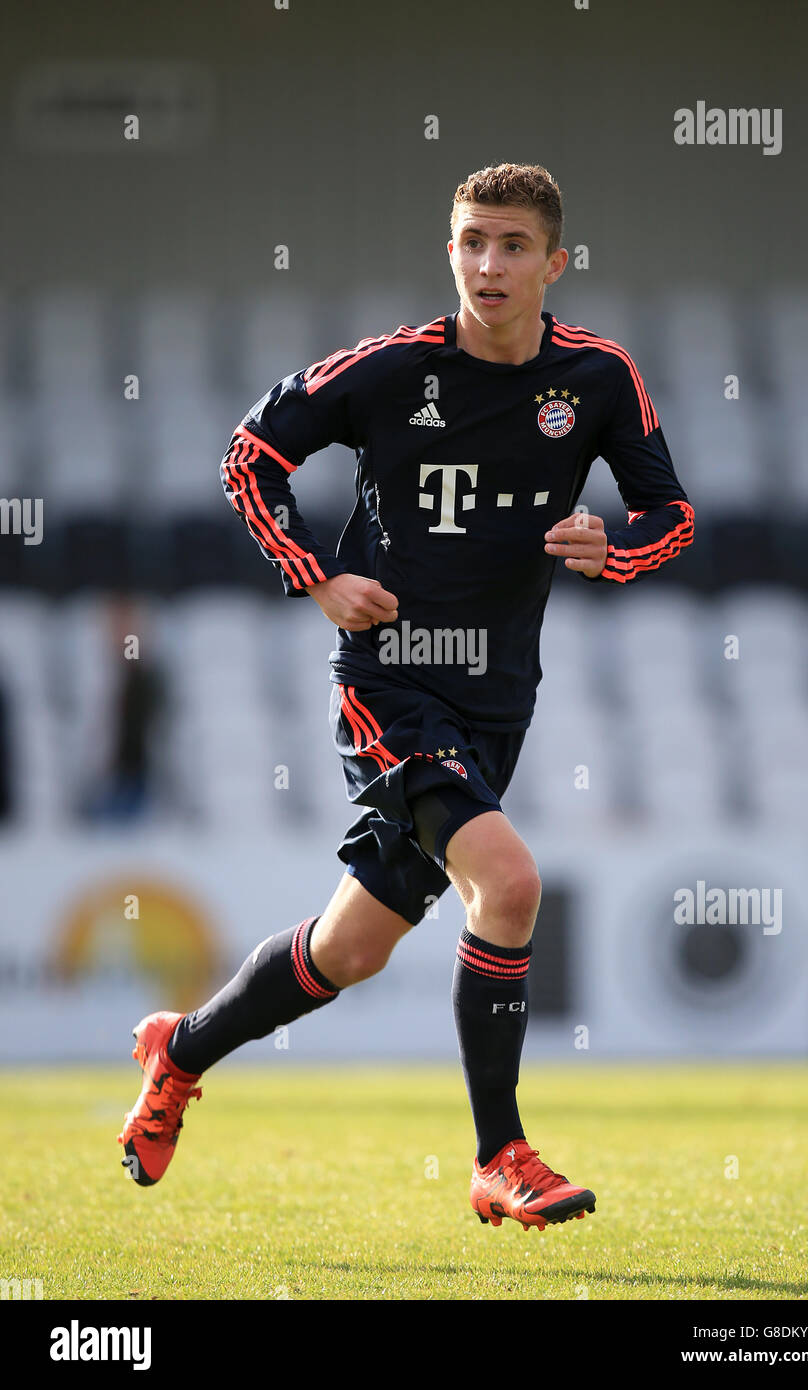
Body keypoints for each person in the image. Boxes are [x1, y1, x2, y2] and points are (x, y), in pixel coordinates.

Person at [118, 163, 694, 1232]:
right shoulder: (388, 370)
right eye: (471, 241)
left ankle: (179, 1049)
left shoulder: (598, 379)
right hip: (389, 681)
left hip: (497, 700)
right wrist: (315, 575)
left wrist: (607, 549)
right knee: (509, 885)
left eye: (512, 245)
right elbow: (251, 453)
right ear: (449, 252)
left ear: (552, 263)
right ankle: (499, 1156)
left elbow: (670, 516)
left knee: (349, 951)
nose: (488, 263)